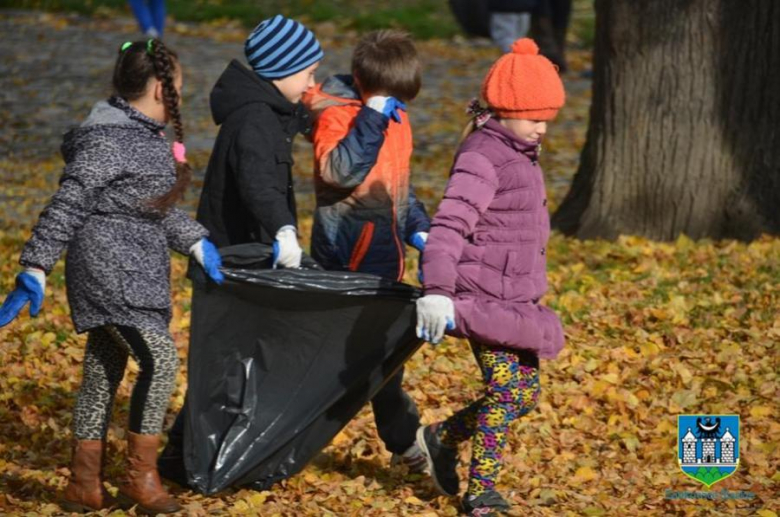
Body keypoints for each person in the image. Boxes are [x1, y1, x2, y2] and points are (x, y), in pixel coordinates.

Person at [0, 39, 224, 514]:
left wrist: (197, 242)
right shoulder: (106, 140)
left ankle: (84, 486)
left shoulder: (145, 140)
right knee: (160, 361)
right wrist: (36, 265)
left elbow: (153, 212)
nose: (181, 96)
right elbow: (69, 202)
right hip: (107, 271)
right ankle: (140, 481)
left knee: (103, 373)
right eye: (180, 87)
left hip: (137, 271)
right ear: (162, 90)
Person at [413, 38, 566, 516]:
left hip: (516, 300)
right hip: (481, 298)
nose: (543, 127)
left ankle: (441, 436)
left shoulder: (519, 150)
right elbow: (451, 223)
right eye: (535, 117)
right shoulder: (484, 155)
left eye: (547, 118)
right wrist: (437, 291)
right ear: (506, 110)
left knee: (524, 397)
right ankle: (480, 495)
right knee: (505, 393)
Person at [302, 29, 431, 471]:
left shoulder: (394, 113)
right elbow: (339, 172)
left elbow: (397, 185)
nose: (397, 104)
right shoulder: (337, 114)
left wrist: (419, 228)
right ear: (362, 80)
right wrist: (371, 118)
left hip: (385, 256)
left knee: (384, 359)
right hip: (346, 258)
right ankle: (295, 439)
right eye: (387, 97)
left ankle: (402, 442)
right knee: (345, 361)